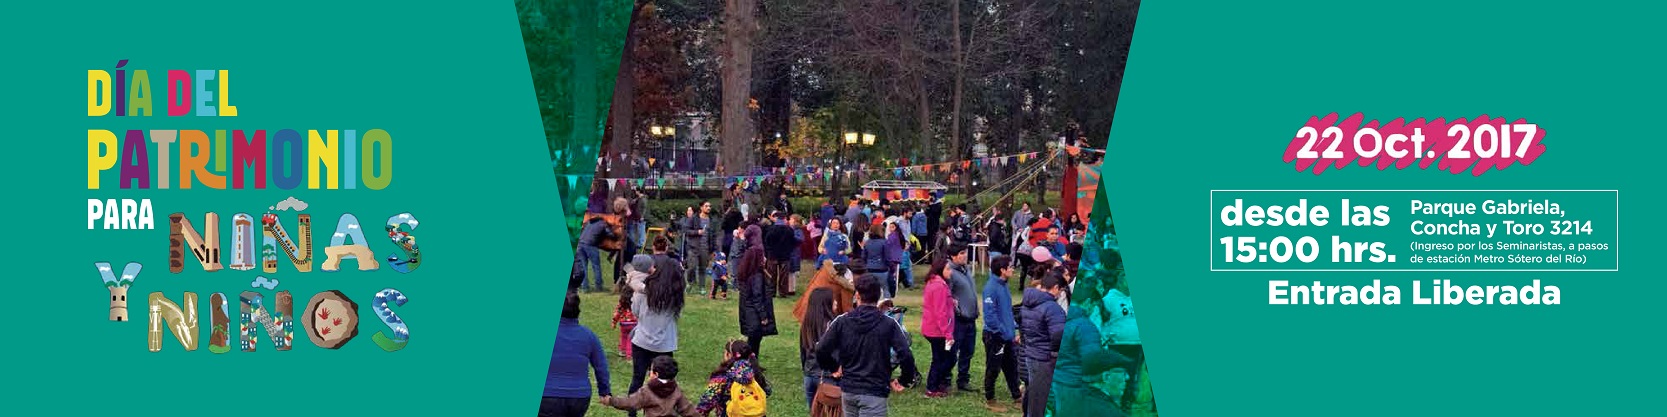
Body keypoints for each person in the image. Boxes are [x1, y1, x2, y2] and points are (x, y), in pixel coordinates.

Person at [815, 274, 920, 417]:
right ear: (878, 298)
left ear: (857, 295)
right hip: (874, 391)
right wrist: (905, 379)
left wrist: (832, 367)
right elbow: (905, 354)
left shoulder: (842, 321)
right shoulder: (888, 324)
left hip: (849, 390)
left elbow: (821, 348)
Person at [628, 251, 687, 417]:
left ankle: (632, 413)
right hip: (664, 344)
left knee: (637, 379)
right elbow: (677, 315)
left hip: (642, 341)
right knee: (665, 382)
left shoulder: (644, 291)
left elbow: (636, 312)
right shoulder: (676, 298)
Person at [1054, 305, 1134, 417]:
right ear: (1106, 377)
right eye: (1122, 372)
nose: (1127, 378)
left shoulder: (1069, 403)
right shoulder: (1108, 411)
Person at [541, 292, 611, 417]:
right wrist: (604, 391)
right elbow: (601, 367)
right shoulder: (589, 336)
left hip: (547, 395)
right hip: (579, 397)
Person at [1019, 271, 1068, 417]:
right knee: (1042, 401)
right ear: (1055, 287)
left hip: (1031, 355)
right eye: (1061, 290)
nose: (1060, 294)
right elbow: (1059, 335)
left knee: (1034, 395)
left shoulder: (1028, 303)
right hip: (1045, 359)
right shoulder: (1053, 308)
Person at [981, 256, 1022, 412]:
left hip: (1007, 335)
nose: (1012, 269)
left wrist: (1013, 330)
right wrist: (1001, 333)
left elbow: (1007, 312)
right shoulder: (991, 288)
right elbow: (990, 316)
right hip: (995, 336)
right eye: (1010, 267)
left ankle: (1017, 395)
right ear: (1002, 270)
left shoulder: (1003, 285)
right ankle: (990, 399)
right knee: (993, 367)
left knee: (1011, 366)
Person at [598, 356, 699, 417]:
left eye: (650, 370)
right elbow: (687, 409)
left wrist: (611, 400)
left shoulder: (647, 391)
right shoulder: (676, 390)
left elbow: (630, 403)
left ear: (656, 374)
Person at [695, 340, 773, 417]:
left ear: (728, 355)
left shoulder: (722, 376)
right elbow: (767, 391)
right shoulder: (754, 371)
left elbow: (708, 401)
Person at [735, 225, 778, 358]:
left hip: (748, 312)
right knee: (754, 342)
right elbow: (757, 297)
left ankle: (752, 363)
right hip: (754, 314)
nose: (765, 259)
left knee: (753, 341)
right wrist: (764, 316)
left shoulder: (747, 272)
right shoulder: (757, 276)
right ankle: (751, 364)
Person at [945, 244, 981, 393]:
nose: (965, 256)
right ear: (953, 256)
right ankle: (945, 379)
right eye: (961, 253)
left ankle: (963, 379)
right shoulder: (950, 272)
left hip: (971, 318)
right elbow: (947, 295)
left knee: (968, 351)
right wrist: (957, 310)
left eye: (965, 253)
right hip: (959, 319)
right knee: (952, 352)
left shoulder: (966, 270)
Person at [918, 256, 956, 398]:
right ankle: (932, 386)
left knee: (942, 358)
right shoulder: (939, 286)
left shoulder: (933, 282)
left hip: (932, 328)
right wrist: (948, 334)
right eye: (948, 269)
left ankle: (936, 384)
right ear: (941, 270)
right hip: (937, 330)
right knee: (945, 359)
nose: (950, 272)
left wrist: (951, 302)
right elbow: (940, 312)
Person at [799, 288, 841, 410]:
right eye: (834, 300)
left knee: (814, 412)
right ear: (826, 303)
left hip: (809, 375)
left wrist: (806, 369)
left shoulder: (806, 324)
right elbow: (835, 352)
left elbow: (803, 349)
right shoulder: (833, 325)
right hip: (827, 376)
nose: (836, 303)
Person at [763, 211, 798, 298]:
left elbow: (767, 241)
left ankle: (771, 292)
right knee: (784, 275)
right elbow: (793, 242)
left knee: (771, 274)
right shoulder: (789, 230)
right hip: (785, 255)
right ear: (784, 219)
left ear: (776, 218)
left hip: (772, 255)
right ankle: (783, 292)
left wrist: (768, 251)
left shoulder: (771, 229)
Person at [685, 201, 716, 291]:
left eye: (710, 206)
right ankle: (690, 283)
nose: (709, 208)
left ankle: (702, 287)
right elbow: (686, 230)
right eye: (706, 206)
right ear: (701, 208)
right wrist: (697, 232)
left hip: (705, 248)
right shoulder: (694, 218)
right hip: (693, 247)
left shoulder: (711, 220)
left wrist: (712, 250)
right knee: (692, 266)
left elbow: (713, 236)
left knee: (703, 268)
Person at [575, 213, 609, 293]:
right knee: (596, 266)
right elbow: (610, 234)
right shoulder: (603, 223)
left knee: (583, 266)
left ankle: (585, 287)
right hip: (590, 245)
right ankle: (599, 286)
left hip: (580, 244)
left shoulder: (589, 222)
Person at [860, 224, 892, 298]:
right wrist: (891, 268)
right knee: (885, 289)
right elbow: (888, 258)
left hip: (869, 269)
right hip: (882, 270)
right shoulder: (884, 242)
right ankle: (886, 306)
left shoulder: (867, 242)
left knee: (870, 291)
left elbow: (863, 257)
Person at [613, 288, 639, 357]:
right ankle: (630, 354)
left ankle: (623, 351)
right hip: (634, 324)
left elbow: (617, 314)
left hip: (624, 324)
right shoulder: (636, 302)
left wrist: (614, 322)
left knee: (623, 337)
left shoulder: (621, 303)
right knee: (631, 338)